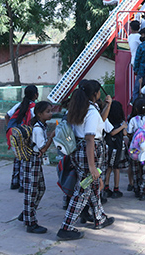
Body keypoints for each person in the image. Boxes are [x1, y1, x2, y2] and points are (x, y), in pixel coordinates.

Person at [57, 80, 114, 241]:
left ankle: (99, 218)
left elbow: (99, 122)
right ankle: (66, 227)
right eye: (99, 92)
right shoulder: (91, 111)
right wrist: (92, 166)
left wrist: (107, 106)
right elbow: (90, 138)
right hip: (89, 153)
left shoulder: (80, 108)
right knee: (82, 190)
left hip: (79, 151)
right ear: (95, 94)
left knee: (92, 185)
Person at [19, 101, 55, 233]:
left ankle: (27, 212)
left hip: (35, 160)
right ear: (39, 114)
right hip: (32, 160)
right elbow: (42, 148)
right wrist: (51, 138)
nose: (51, 114)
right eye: (47, 111)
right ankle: (31, 223)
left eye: (51, 111)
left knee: (40, 188)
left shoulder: (41, 125)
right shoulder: (38, 129)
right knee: (32, 190)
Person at [6, 85, 38, 192]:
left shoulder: (19, 105)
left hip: (15, 135)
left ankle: (14, 182)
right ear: (36, 95)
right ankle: (23, 185)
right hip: (26, 136)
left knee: (17, 158)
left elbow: (7, 115)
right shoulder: (34, 108)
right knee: (26, 159)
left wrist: (10, 129)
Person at [102, 101, 127, 199]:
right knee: (116, 168)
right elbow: (115, 133)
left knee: (109, 167)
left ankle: (107, 187)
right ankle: (115, 188)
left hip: (110, 147)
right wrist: (123, 127)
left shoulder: (107, 120)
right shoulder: (120, 123)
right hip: (117, 147)